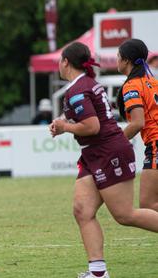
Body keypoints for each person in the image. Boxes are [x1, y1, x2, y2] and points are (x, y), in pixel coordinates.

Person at [50, 42, 158, 278]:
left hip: (108, 152)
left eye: (60, 60)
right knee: (82, 210)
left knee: (124, 215)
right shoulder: (85, 85)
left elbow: (92, 126)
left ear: (66, 62)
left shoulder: (78, 90)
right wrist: (64, 124)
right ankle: (98, 273)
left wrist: (64, 127)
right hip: (94, 154)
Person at [116, 39, 158, 211]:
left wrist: (115, 143)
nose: (116, 59)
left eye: (118, 56)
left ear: (126, 60)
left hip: (156, 143)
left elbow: (138, 123)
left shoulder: (132, 86)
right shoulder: (153, 82)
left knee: (147, 204)